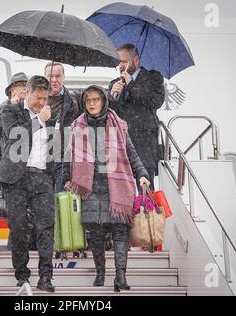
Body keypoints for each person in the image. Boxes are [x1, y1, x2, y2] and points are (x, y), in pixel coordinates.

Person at [63, 85, 150, 292]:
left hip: (117, 186)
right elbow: (68, 156)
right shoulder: (77, 126)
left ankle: (120, 275)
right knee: (96, 233)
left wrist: (143, 175)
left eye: (96, 99)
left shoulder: (118, 124)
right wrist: (67, 178)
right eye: (88, 100)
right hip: (90, 187)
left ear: (104, 101)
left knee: (121, 232)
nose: (91, 103)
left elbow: (131, 152)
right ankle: (100, 272)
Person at [0, 76, 56, 293]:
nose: (41, 102)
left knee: (46, 227)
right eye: (37, 98)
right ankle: (22, 275)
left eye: (44, 98)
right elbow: (13, 136)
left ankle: (46, 277)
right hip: (16, 178)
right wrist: (38, 121)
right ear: (27, 93)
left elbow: (57, 146)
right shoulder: (10, 111)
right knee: (19, 227)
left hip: (42, 177)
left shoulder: (50, 114)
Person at [109, 44, 165, 190]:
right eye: (118, 62)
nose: (120, 66)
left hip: (145, 141)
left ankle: (147, 211)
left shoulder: (153, 78)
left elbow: (155, 101)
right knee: (121, 187)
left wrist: (131, 84)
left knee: (145, 185)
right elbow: (112, 113)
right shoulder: (115, 83)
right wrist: (113, 97)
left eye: (124, 61)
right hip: (122, 141)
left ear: (136, 60)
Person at [44, 62, 82, 193]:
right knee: (44, 205)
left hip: (64, 161)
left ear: (64, 77)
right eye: (50, 76)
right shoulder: (37, 100)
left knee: (62, 201)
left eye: (58, 76)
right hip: (42, 160)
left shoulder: (75, 98)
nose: (54, 80)